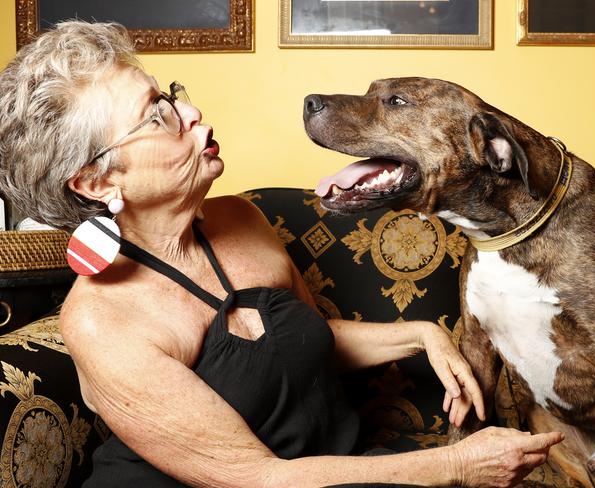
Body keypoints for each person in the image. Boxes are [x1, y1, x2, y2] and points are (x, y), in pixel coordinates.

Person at [0, 21, 563, 488]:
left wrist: (424, 334)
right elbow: (255, 478)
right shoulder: (102, 321)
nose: (190, 115)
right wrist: (456, 464)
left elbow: (306, 340)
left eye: (170, 96)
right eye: (156, 116)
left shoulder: (241, 220)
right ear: (96, 182)